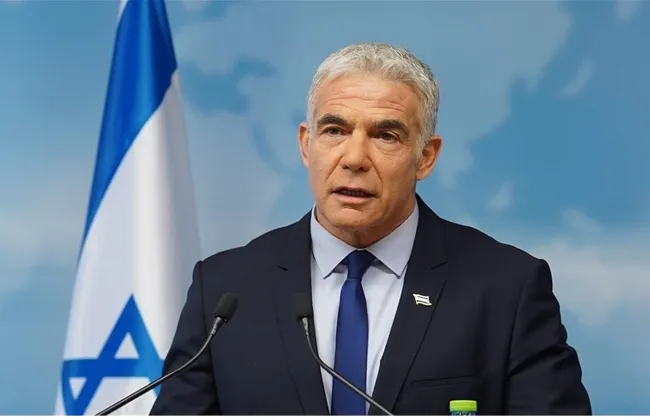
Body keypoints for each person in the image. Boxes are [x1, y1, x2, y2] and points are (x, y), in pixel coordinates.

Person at [150, 42, 591, 415]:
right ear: (306, 145)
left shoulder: (507, 288)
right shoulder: (225, 291)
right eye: (334, 130)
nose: (355, 158)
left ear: (425, 157)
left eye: (385, 136)